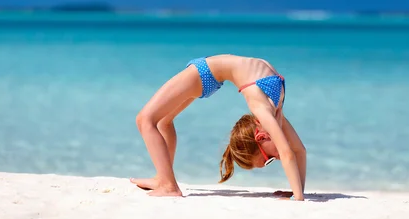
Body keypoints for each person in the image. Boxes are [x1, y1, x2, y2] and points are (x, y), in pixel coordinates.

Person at [130, 54, 306, 201]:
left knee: (153, 120)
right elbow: (292, 152)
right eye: (269, 158)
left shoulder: (271, 111)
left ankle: (166, 182)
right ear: (260, 137)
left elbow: (294, 152)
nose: (277, 158)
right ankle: (165, 181)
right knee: (152, 120)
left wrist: (296, 194)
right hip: (204, 73)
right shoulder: (266, 110)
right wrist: (298, 196)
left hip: (208, 73)